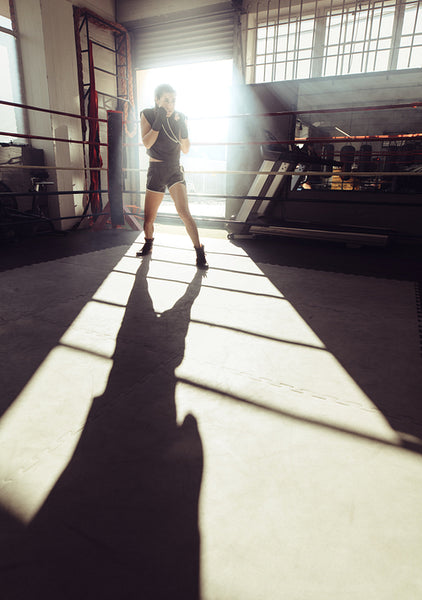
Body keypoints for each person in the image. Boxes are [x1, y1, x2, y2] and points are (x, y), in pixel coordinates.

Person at [137, 83, 208, 269]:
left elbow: (185, 149)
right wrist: (158, 121)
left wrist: (184, 130)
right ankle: (148, 242)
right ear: (157, 100)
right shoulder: (148, 114)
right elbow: (146, 143)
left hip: (174, 169)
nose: (170, 104)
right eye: (166, 100)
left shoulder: (180, 117)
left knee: (184, 212)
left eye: (173, 100)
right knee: (149, 219)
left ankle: (199, 251)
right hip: (156, 171)